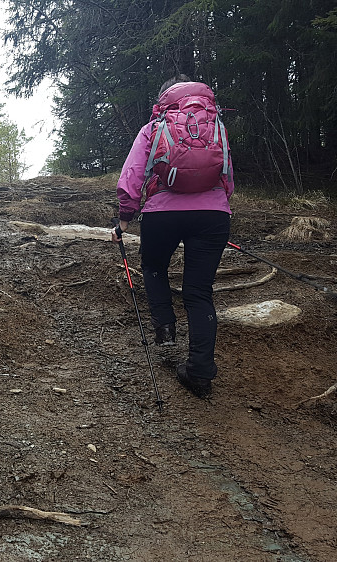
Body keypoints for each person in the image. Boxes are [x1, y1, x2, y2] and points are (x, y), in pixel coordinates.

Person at [111, 75, 234, 398]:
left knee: (153, 268)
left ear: (164, 99)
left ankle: (165, 330)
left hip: (161, 213)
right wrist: (217, 210)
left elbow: (131, 178)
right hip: (213, 216)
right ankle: (200, 373)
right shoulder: (215, 124)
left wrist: (125, 219)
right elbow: (227, 176)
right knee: (199, 292)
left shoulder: (155, 127)